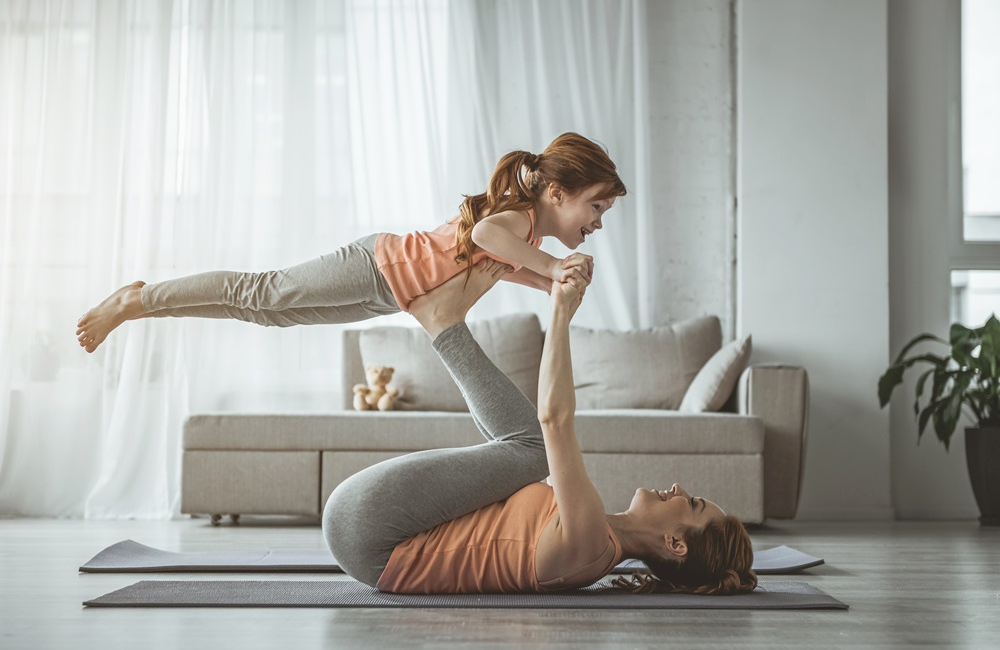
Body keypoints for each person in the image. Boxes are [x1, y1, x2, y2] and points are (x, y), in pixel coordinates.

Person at [323, 259, 757, 595]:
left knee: (534, 451)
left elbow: (554, 421)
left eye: (694, 503)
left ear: (675, 544)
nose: (680, 488)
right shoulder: (595, 536)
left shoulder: (590, 546)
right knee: (527, 452)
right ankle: (444, 321)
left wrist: (561, 311)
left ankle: (443, 321)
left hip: (371, 532)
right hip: (369, 531)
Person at [75, 132, 626, 353]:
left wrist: (547, 287)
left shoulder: (524, 233)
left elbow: (502, 264)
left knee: (269, 315)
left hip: (390, 295)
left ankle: (147, 308)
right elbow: (484, 234)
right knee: (262, 291)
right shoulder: (516, 217)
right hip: (377, 265)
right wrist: (554, 269)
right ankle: (136, 301)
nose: (598, 220)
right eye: (596, 205)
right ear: (556, 192)